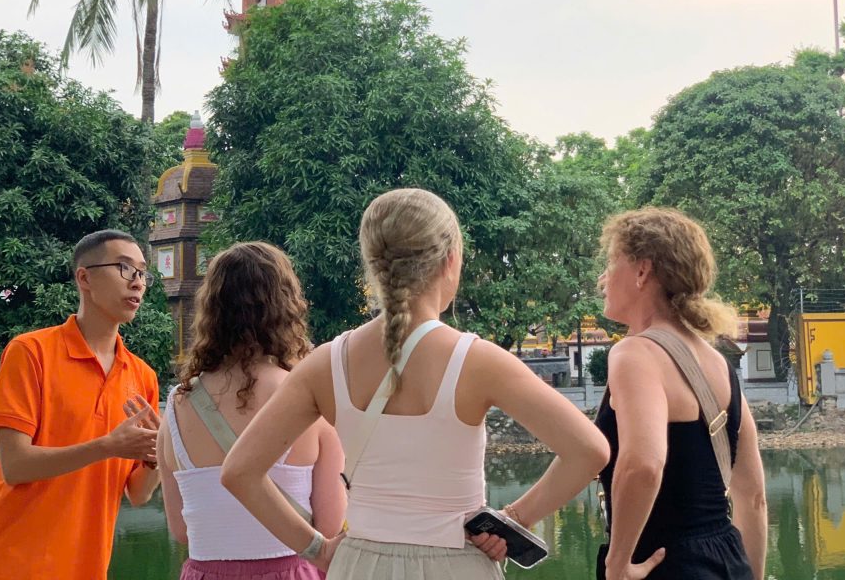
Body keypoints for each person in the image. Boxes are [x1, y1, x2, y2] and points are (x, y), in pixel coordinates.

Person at [221, 187, 611, 579]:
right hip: (458, 563)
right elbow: (590, 450)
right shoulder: (476, 361)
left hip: (358, 564)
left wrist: (316, 550)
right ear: (450, 260)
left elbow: (239, 472)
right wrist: (512, 518)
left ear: (373, 264)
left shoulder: (326, 364)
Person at [0, 229, 161, 580]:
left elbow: (138, 493)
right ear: (84, 277)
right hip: (11, 565)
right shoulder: (31, 353)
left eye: (142, 272)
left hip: (88, 567)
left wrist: (160, 455)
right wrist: (109, 446)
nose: (137, 282)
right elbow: (15, 465)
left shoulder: (142, 376)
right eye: (124, 268)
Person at [595, 207, 768, 580]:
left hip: (661, 563)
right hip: (728, 558)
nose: (602, 279)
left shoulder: (635, 353)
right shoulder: (717, 364)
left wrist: (618, 562)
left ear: (642, 271)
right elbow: (752, 497)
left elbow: (644, 463)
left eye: (611, 263)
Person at [158, 241, 345, 580]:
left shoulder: (175, 406)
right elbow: (329, 527)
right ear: (287, 308)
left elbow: (182, 531)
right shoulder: (308, 399)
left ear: (211, 310)